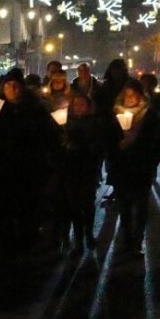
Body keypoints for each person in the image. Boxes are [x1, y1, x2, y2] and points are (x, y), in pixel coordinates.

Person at [0, 68, 55, 255]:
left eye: (15, 85)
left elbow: (46, 137)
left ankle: (27, 242)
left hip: (29, 168)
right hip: (3, 168)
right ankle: (7, 246)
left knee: (27, 208)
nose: (12, 89)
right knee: (5, 209)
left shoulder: (35, 109)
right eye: (8, 85)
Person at [106, 80, 160, 256]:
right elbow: (107, 141)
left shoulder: (150, 117)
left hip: (141, 169)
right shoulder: (114, 116)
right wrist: (118, 148)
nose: (130, 99)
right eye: (127, 95)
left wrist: (148, 162)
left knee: (140, 206)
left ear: (141, 96)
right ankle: (127, 240)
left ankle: (137, 241)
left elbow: (159, 144)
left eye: (134, 95)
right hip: (122, 169)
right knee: (124, 206)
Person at [55, 93, 105, 253]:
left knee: (87, 203)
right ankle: (78, 238)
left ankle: (88, 233)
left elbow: (98, 146)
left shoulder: (95, 124)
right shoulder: (64, 123)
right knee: (74, 205)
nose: (78, 108)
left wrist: (84, 146)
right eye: (76, 105)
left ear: (88, 107)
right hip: (70, 170)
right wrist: (64, 143)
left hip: (88, 169)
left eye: (82, 105)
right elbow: (58, 144)